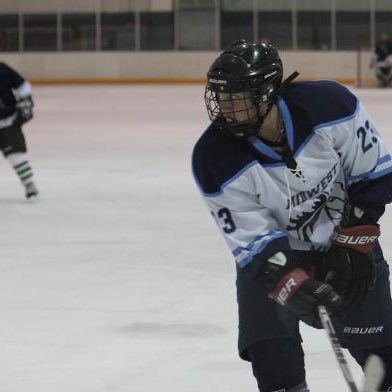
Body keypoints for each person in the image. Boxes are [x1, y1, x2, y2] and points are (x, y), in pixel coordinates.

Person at [192, 39, 392, 392]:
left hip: (345, 238)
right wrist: (290, 282)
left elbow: (374, 175)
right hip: (275, 258)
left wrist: (354, 245)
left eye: (235, 99)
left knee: (382, 357)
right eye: (221, 99)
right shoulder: (215, 157)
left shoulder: (330, 105)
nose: (225, 110)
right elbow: (253, 240)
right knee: (275, 365)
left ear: (267, 92)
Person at [0, 62, 38, 200]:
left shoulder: (2, 69)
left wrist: (25, 102)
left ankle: (29, 184)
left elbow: (23, 87)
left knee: (16, 155)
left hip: (7, 121)